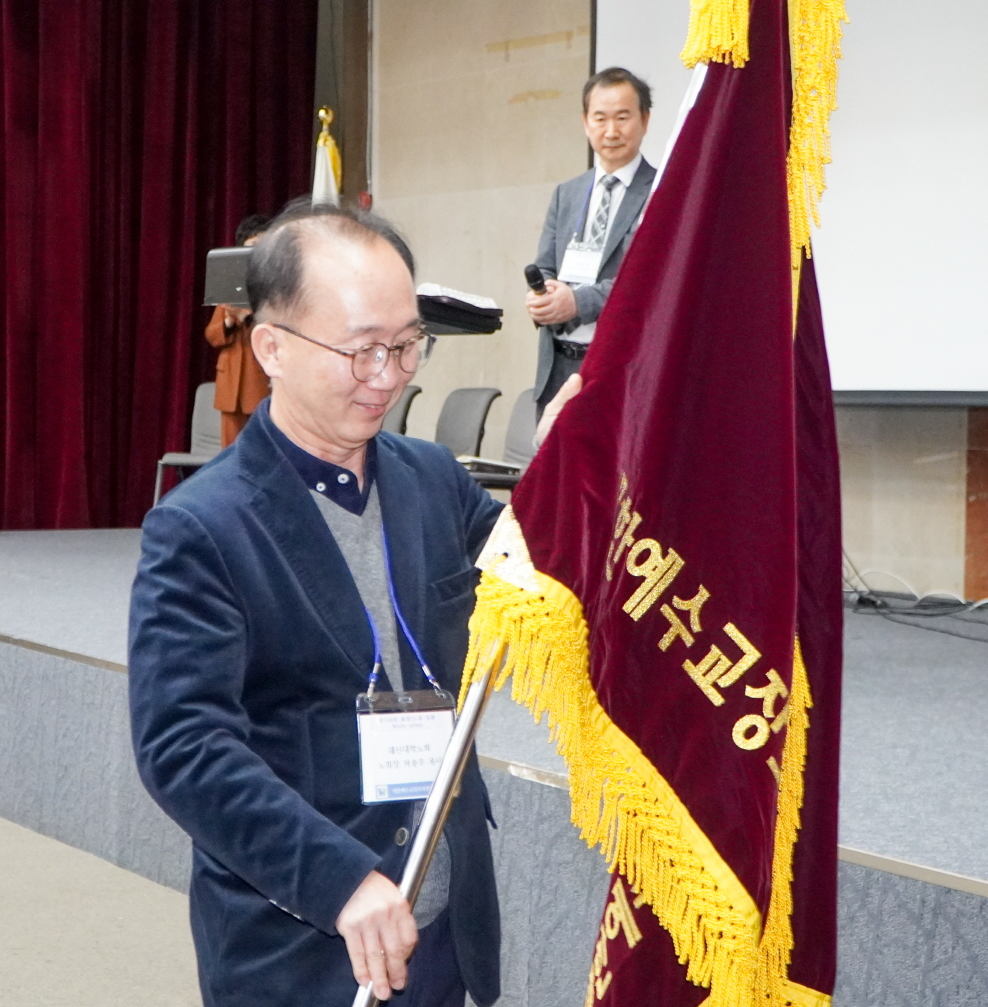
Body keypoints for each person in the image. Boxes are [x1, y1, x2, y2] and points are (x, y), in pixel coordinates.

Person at [129, 202, 503, 1007]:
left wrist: (591, 440)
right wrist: (339, 880)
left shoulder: (434, 479)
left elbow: (545, 570)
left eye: (406, 344)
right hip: (303, 948)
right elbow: (184, 747)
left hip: (441, 928)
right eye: (362, 349)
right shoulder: (202, 526)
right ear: (273, 347)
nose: (389, 375)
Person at [525, 66, 657, 416]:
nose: (611, 131)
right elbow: (545, 265)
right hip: (558, 367)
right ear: (586, 123)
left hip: (622, 371)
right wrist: (544, 297)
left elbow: (646, 280)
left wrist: (577, 302)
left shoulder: (662, 193)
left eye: (622, 118)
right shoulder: (566, 193)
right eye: (600, 118)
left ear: (645, 120)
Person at [204, 213, 274, 446]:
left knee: (260, 449)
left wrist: (248, 317)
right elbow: (212, 335)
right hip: (230, 382)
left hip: (258, 382)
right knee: (229, 451)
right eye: (250, 246)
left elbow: (279, 330)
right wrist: (229, 322)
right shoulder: (229, 284)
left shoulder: (273, 286)